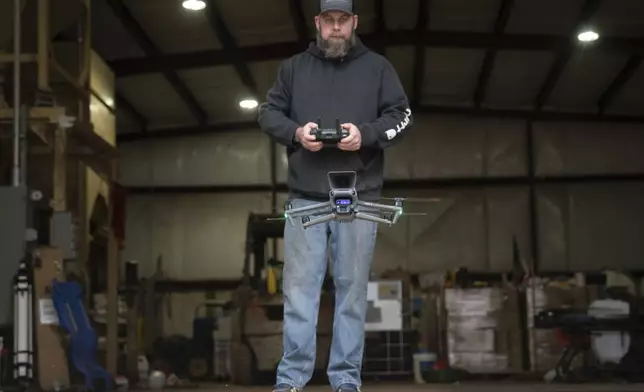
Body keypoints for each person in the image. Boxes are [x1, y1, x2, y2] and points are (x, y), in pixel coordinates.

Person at [257, 0, 413, 391]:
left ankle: (345, 382)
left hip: (360, 196)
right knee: (299, 295)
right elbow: (267, 113)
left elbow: (402, 116)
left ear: (354, 22)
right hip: (305, 196)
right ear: (318, 23)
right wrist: (296, 133)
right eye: (330, 20)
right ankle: (291, 381)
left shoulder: (378, 68)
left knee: (352, 294)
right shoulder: (293, 68)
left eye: (344, 20)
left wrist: (366, 134)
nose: (337, 28)